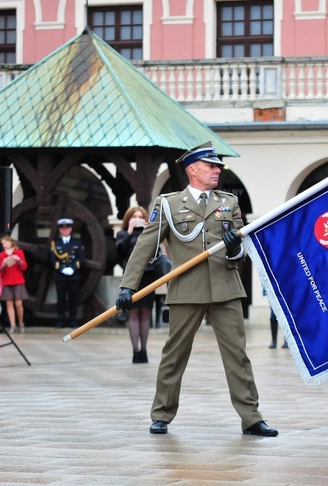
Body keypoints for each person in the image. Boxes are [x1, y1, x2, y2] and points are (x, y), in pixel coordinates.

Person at [115, 141, 277, 437]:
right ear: (192, 170)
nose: (217, 170)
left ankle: (251, 417)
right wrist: (128, 286)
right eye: (211, 166)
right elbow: (144, 247)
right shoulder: (168, 204)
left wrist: (233, 249)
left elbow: (241, 253)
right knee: (174, 354)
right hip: (187, 289)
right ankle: (161, 414)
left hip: (226, 288)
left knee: (238, 356)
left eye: (218, 166)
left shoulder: (229, 202)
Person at [116, 206, 155, 363]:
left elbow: (156, 253)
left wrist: (147, 231)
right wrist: (130, 231)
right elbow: (120, 251)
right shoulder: (123, 234)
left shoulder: (149, 234)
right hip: (131, 278)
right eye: (134, 217)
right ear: (129, 219)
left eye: (140, 217)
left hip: (148, 275)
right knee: (133, 313)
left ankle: (144, 350)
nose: (138, 219)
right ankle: (135, 351)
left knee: (145, 313)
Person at [50, 218, 83, 328]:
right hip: (60, 276)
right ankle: (61, 320)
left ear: (71, 229)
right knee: (61, 299)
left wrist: (73, 268)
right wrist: (62, 269)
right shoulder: (55, 243)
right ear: (60, 229)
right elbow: (53, 260)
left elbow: (80, 258)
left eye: (67, 228)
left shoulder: (77, 243)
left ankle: (73, 320)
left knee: (73, 299)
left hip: (73, 275)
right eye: (63, 228)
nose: (65, 230)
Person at [0, 235, 28, 333]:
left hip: (18, 280)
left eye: (6, 243)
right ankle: (12, 325)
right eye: (3, 244)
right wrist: (3, 264)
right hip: (7, 281)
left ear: (11, 243)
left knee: (18, 303)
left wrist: (18, 259)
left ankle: (21, 323)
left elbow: (24, 267)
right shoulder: (2, 255)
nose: (4, 245)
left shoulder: (19, 252)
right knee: (9, 303)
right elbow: (0, 270)